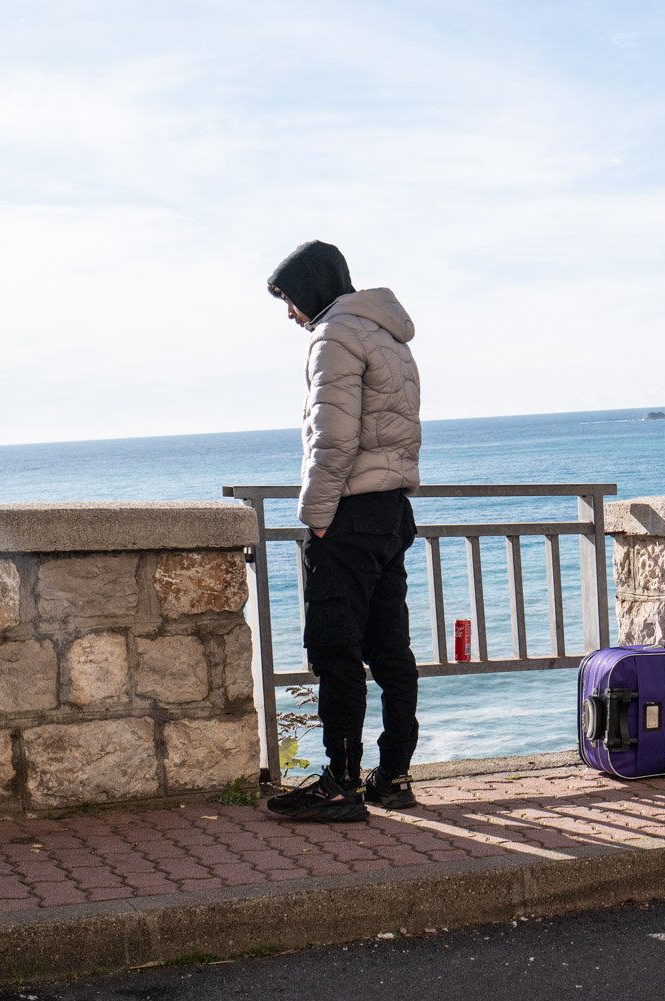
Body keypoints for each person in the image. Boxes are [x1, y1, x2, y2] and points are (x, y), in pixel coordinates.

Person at [262, 240, 423, 822]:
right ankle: (394, 776)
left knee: (335, 649)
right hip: (393, 513)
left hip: (349, 514)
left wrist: (318, 517)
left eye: (289, 299)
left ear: (311, 289)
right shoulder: (389, 338)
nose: (289, 313)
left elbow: (332, 439)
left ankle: (342, 784)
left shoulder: (334, 338)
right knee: (389, 649)